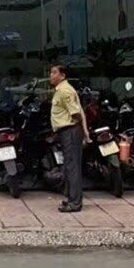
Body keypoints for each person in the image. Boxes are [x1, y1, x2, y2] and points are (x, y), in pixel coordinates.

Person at [50, 62, 87, 214]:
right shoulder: (60, 90)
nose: (51, 76)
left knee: (72, 167)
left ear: (62, 75)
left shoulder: (65, 91)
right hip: (67, 131)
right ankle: (72, 198)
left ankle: (75, 203)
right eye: (51, 72)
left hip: (70, 131)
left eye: (54, 73)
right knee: (69, 166)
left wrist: (81, 130)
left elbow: (76, 113)